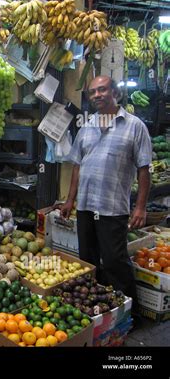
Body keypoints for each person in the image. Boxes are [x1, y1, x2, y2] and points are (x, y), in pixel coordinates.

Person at [60, 76, 152, 303]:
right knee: (88, 260)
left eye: (102, 90)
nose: (96, 95)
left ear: (115, 93)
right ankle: (98, 304)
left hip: (112, 208)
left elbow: (144, 169)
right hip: (85, 206)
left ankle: (129, 312)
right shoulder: (87, 126)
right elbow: (77, 166)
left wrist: (140, 207)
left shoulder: (135, 126)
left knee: (114, 261)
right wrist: (70, 200)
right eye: (92, 92)